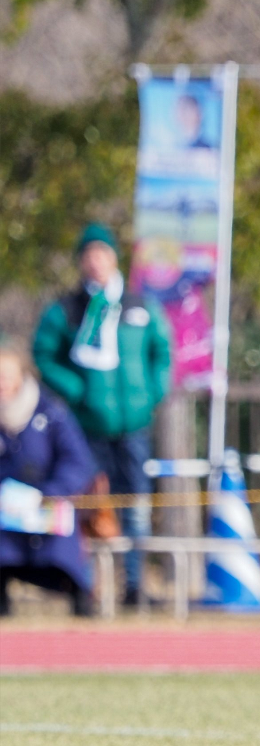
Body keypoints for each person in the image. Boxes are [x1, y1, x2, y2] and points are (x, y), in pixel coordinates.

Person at [32, 223, 172, 606]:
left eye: (103, 254)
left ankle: (135, 584)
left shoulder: (139, 306)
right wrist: (75, 391)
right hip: (86, 425)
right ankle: (85, 586)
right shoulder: (68, 309)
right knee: (85, 505)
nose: (96, 262)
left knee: (136, 504)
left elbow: (162, 353)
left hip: (134, 424)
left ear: (114, 258)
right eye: (89, 255)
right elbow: (44, 354)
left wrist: (151, 394)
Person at [0, 344, 97, 617]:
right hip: (5, 510)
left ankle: (81, 600)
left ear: (20, 375)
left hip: (50, 504)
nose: (1, 383)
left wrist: (50, 493)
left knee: (65, 542)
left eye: (5, 375)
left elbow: (78, 461)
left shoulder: (51, 411)